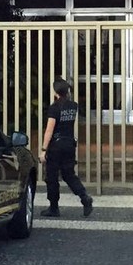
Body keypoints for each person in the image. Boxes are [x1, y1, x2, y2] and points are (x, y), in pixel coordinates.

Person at [39, 77, 93, 217]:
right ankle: (84, 197)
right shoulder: (73, 106)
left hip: (56, 146)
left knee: (51, 177)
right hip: (69, 144)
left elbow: (49, 130)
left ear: (56, 92)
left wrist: (44, 150)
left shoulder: (54, 107)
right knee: (69, 174)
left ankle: (54, 207)